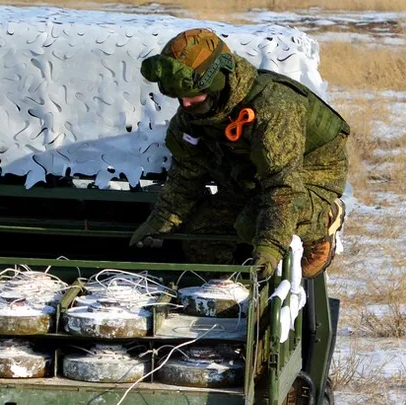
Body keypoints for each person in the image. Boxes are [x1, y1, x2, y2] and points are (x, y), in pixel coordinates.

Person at [131, 28, 349, 279]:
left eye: (193, 96)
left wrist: (269, 248)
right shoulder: (193, 117)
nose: (185, 104)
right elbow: (187, 173)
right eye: (180, 97)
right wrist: (159, 221)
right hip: (250, 177)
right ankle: (231, 294)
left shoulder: (274, 107)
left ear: (216, 84)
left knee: (253, 224)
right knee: (201, 235)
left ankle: (323, 220)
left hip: (308, 173)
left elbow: (283, 187)